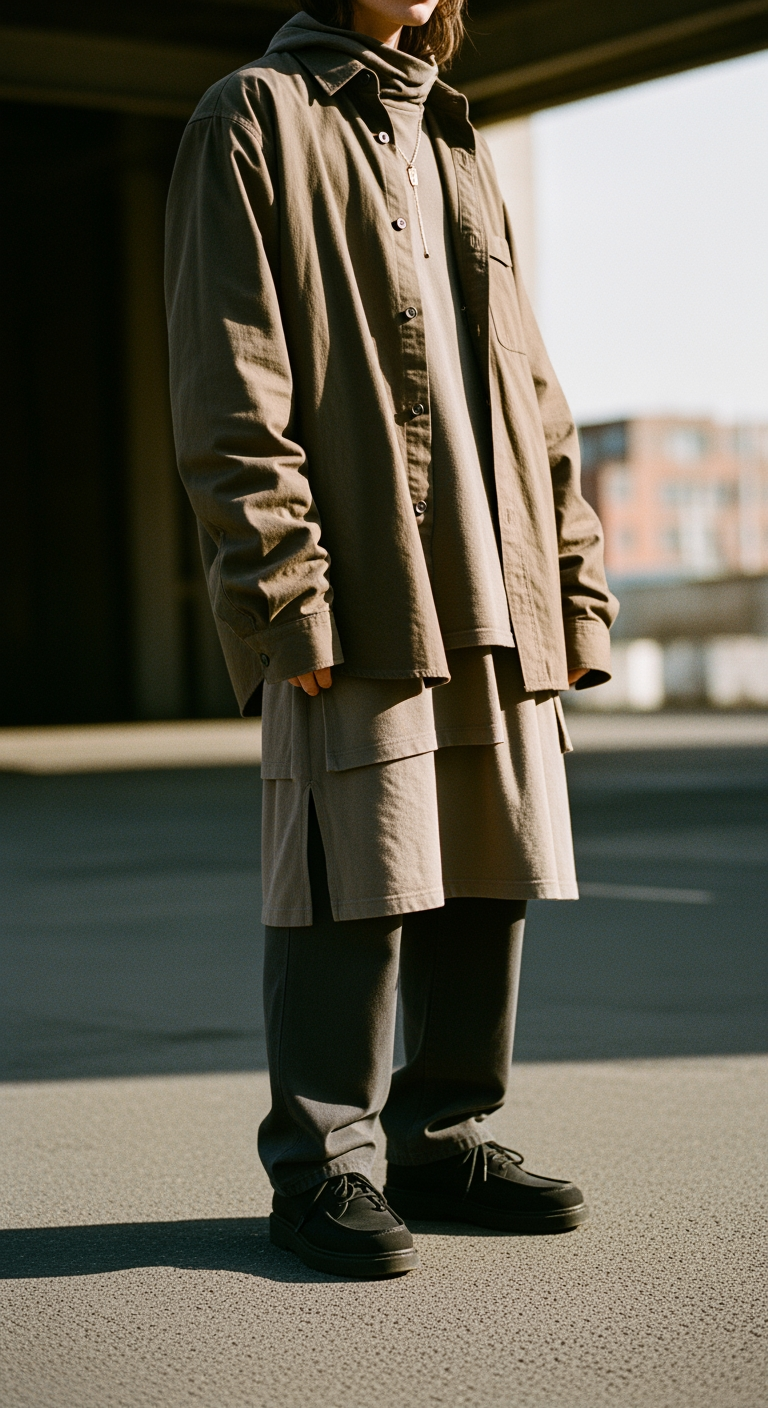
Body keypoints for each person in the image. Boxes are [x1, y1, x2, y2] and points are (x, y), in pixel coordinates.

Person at [165, 0, 618, 1280]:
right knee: (348, 865)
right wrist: (282, 582)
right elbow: (229, 372)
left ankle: (439, 1134)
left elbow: (535, 384)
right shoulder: (256, 115)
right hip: (358, 565)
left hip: (498, 567)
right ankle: (321, 1166)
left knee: (488, 857)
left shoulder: (459, 137)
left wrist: (574, 581)